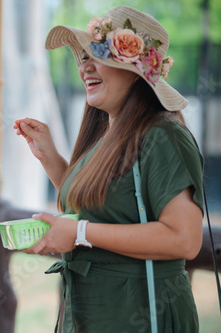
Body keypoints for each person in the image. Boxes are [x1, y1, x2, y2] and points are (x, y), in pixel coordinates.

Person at [13, 6, 204, 333]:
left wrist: (78, 233)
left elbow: (184, 239)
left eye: (97, 56)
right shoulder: (106, 135)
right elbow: (101, 208)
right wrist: (49, 157)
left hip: (138, 313)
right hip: (92, 310)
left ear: (135, 71)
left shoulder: (162, 135)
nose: (84, 66)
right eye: (83, 58)